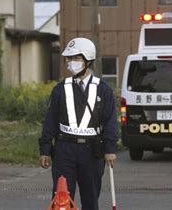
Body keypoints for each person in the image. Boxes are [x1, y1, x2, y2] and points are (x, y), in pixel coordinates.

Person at [39, 37, 118, 210]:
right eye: (69, 58)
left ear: (88, 60)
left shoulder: (103, 89)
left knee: (90, 199)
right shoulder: (60, 88)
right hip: (64, 149)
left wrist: (110, 148)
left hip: (92, 151)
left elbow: (111, 120)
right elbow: (50, 120)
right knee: (61, 199)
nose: (71, 62)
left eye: (76, 58)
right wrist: (45, 148)